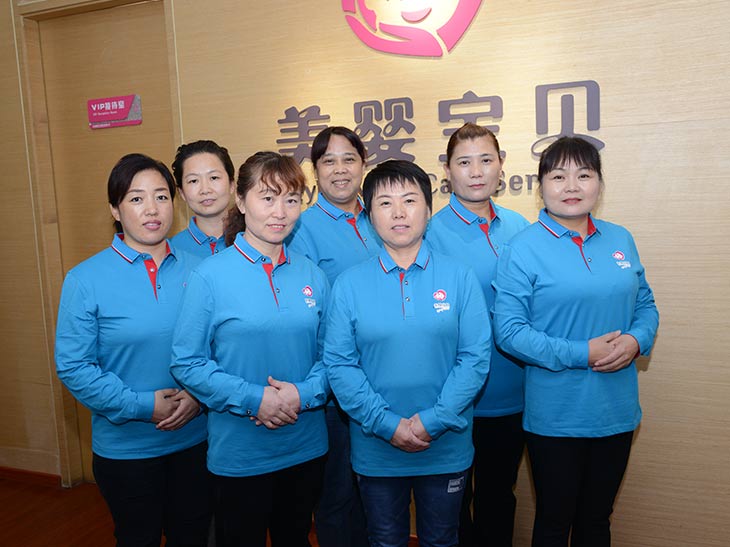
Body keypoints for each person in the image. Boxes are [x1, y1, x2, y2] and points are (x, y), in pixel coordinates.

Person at [492, 137, 659, 547]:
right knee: (554, 521)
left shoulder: (620, 238)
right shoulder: (522, 248)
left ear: (599, 183)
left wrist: (636, 341)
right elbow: (509, 331)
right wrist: (582, 353)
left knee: (597, 520)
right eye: (558, 176)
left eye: (583, 175)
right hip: (557, 415)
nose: (571, 186)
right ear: (541, 187)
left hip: (616, 410)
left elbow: (646, 305)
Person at [325, 160, 491, 547]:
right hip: (376, 445)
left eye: (410, 200)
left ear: (428, 210)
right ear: (369, 216)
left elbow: (475, 357)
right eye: (385, 203)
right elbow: (340, 364)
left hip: (445, 441)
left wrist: (434, 420)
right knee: (384, 540)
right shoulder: (349, 285)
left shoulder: (459, 276)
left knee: (442, 539)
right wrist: (386, 424)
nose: (398, 212)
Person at [171, 151, 330, 547]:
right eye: (267, 198)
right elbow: (188, 362)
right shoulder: (209, 276)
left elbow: (335, 357)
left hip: (306, 443)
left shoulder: (313, 274)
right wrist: (253, 399)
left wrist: (303, 394)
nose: (280, 212)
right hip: (240, 452)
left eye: (291, 199)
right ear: (241, 202)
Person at [55, 153, 211, 547]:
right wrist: (142, 405)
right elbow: (74, 367)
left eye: (161, 196)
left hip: (196, 441)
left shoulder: (201, 270)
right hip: (127, 450)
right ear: (115, 209)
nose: (152, 209)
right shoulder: (85, 279)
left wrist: (199, 396)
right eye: (136, 198)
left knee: (193, 536)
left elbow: (221, 345)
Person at [425, 123, 529, 546]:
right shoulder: (429, 233)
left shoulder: (520, 227)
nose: (476, 171)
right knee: (450, 505)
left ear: (501, 164)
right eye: (464, 162)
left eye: (486, 160)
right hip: (452, 396)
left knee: (499, 496)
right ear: (447, 169)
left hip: (512, 391)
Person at [287, 126, 378, 547]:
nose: (340, 170)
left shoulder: (381, 214)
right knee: (338, 496)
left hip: (387, 378)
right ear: (315, 170)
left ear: (364, 164)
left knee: (377, 495)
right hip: (335, 387)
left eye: (349, 159)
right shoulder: (301, 228)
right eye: (328, 161)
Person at [171, 140, 235, 258]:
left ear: (232, 184)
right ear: (182, 193)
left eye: (214, 178)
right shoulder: (171, 251)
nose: (205, 190)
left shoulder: (255, 240)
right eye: (193, 181)